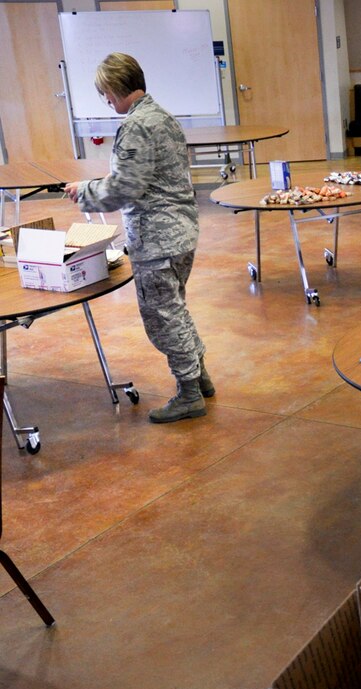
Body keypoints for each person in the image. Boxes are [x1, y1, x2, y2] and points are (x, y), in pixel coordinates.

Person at [65, 52, 213, 425]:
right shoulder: (162, 116)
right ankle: (201, 377)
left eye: (105, 94)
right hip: (180, 232)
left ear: (115, 89)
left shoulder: (135, 127)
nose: (106, 101)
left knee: (162, 316)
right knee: (175, 307)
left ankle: (189, 393)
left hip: (157, 239)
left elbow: (125, 188)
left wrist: (84, 191)